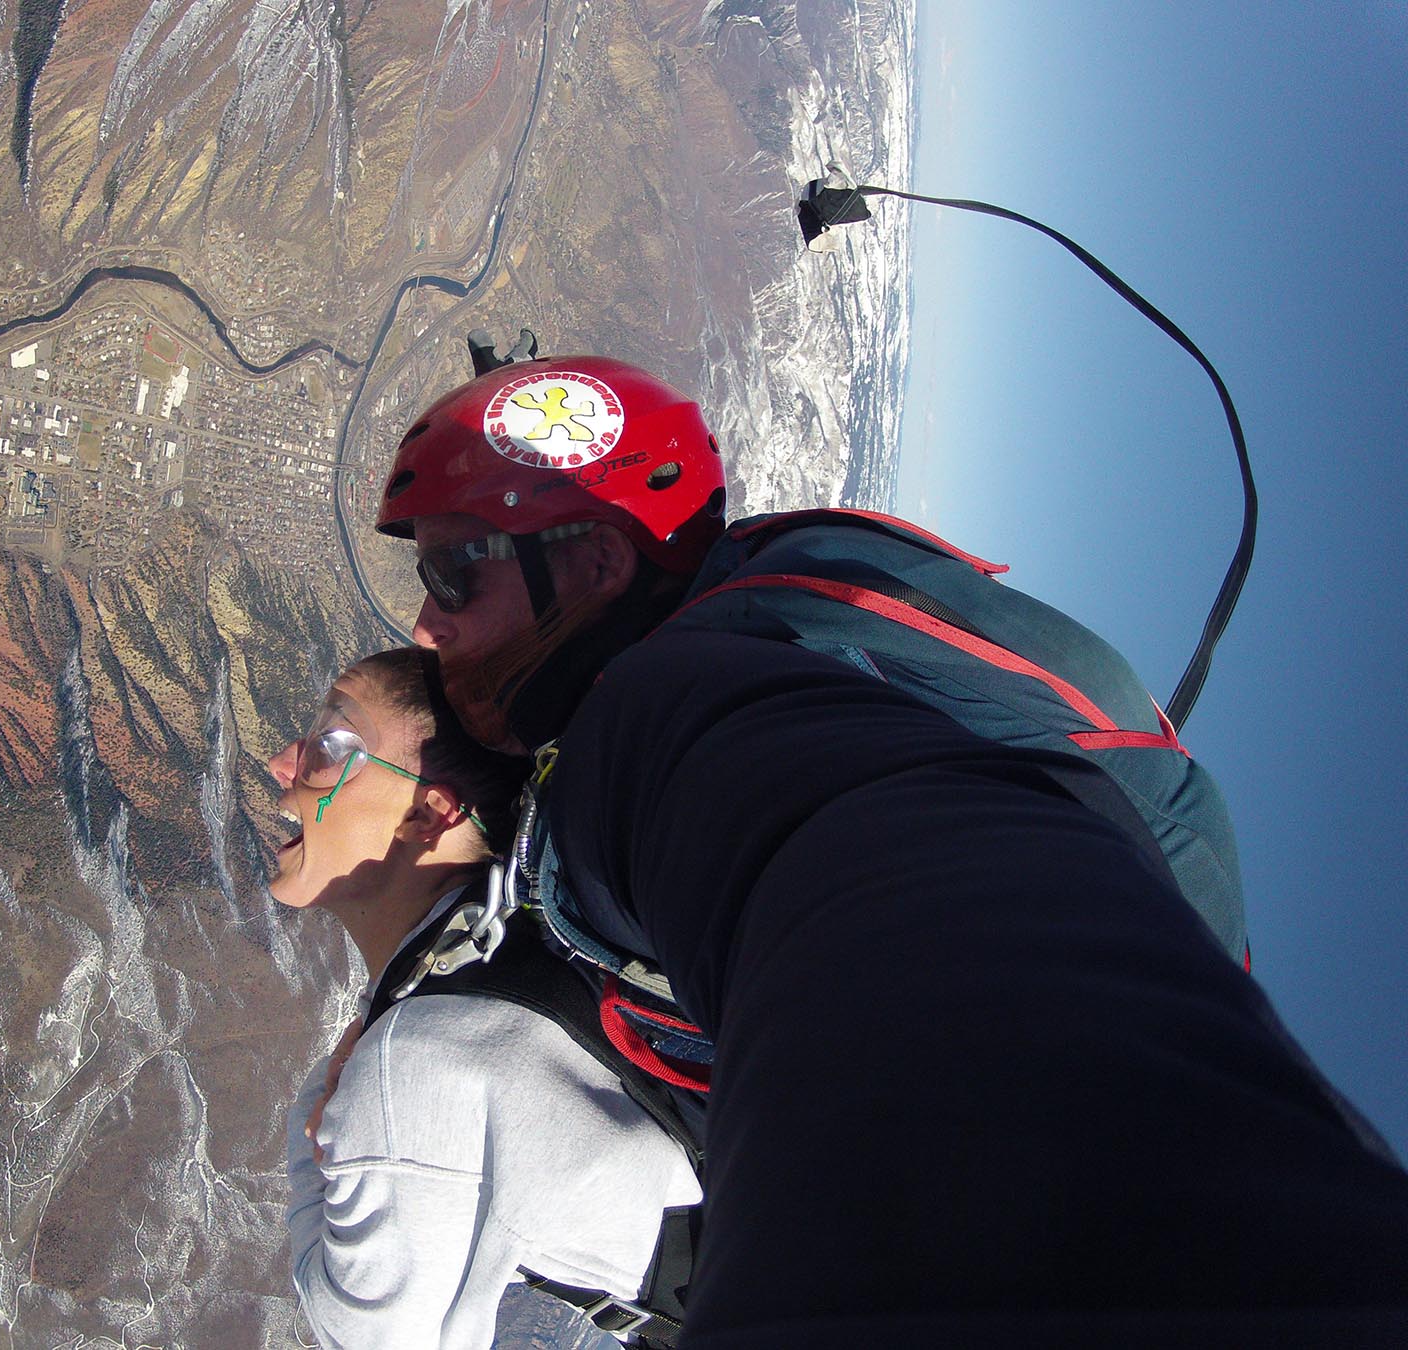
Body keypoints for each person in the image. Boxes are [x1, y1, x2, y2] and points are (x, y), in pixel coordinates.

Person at [374, 353, 1408, 1343]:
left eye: (452, 573)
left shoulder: (667, 713)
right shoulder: (745, 623)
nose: (425, 622)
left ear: (598, 564)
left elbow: (870, 872)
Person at [269, 646, 702, 1349]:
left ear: (428, 814)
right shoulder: (524, 935)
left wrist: (313, 1135)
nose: (284, 763)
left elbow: (366, 1338)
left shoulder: (413, 1064)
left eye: (331, 744)